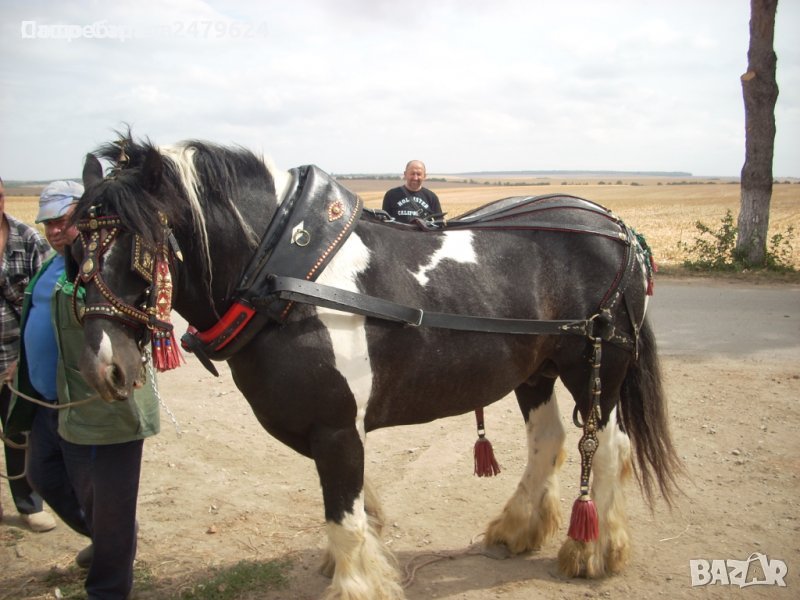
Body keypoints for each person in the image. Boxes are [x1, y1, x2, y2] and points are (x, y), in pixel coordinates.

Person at [5, 181, 160, 600]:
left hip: (98, 407)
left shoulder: (107, 267)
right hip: (48, 402)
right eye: (48, 223)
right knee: (43, 477)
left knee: (107, 505)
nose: (54, 230)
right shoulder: (50, 263)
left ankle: (108, 585)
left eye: (63, 220)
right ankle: (112, 540)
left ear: (87, 219)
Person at [0, 175, 55, 531]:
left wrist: (26, 358)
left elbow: (49, 299)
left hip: (14, 360)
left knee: (19, 431)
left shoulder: (27, 238)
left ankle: (27, 503)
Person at [381, 160, 443, 224]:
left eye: (419, 174)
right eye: (412, 174)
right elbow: (384, 223)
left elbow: (440, 223)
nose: (415, 178)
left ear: (424, 176)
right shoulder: (391, 195)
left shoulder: (431, 197)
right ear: (405, 174)